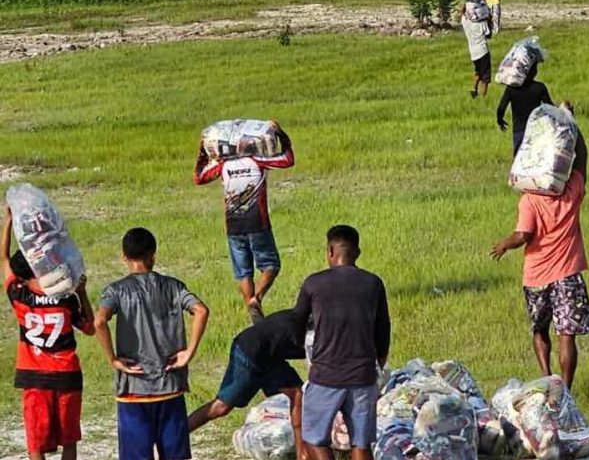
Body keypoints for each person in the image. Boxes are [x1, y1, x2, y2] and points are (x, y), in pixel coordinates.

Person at [491, 119, 589, 390]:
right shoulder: (570, 193)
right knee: (567, 335)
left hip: (536, 276)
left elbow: (523, 235)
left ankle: (547, 374)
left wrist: (504, 244)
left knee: (539, 329)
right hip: (568, 273)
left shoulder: (529, 200)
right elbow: (582, 158)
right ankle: (566, 388)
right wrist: (572, 125)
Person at [94, 228, 210, 460]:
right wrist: (189, 351)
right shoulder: (173, 286)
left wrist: (113, 359)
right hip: (170, 386)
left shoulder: (116, 290)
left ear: (124, 257)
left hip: (133, 390)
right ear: (153, 255)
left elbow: (99, 322)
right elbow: (201, 310)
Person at [291, 225, 390, 460]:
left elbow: (297, 322)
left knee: (314, 439)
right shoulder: (373, 283)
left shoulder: (314, 284)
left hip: (326, 375)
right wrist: (379, 361)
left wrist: (304, 352)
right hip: (363, 377)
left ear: (330, 252)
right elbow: (383, 328)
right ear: (358, 252)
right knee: (361, 444)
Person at [3, 208, 94, 460]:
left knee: (36, 444)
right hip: (67, 375)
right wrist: (82, 292)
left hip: (34, 379)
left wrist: (8, 221)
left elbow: (3, 260)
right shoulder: (65, 297)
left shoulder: (18, 295)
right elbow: (90, 328)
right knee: (69, 440)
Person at [194, 123, 294, 323]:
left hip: (233, 226)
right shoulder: (258, 161)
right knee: (271, 265)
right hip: (258, 223)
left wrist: (202, 150)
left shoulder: (223, 165)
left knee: (243, 272)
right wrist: (281, 133)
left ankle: (251, 310)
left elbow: (199, 177)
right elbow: (288, 159)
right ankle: (256, 299)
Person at [188, 310, 306, 460]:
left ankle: (302, 453)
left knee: (298, 396)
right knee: (221, 407)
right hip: (249, 349)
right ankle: (176, 436)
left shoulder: (317, 318)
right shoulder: (318, 327)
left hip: (271, 356)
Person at [496, 64, 554, 155]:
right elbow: (550, 108)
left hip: (519, 130)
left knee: (519, 160)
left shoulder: (512, 88)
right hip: (536, 130)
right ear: (535, 72)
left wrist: (500, 120)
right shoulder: (540, 87)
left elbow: (501, 108)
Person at [461, 0, 493, 99]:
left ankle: (474, 87)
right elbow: (489, 35)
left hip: (473, 52)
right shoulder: (481, 23)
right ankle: (484, 96)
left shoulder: (465, 21)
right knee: (486, 76)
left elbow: (463, 13)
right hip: (483, 50)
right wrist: (489, 21)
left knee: (478, 70)